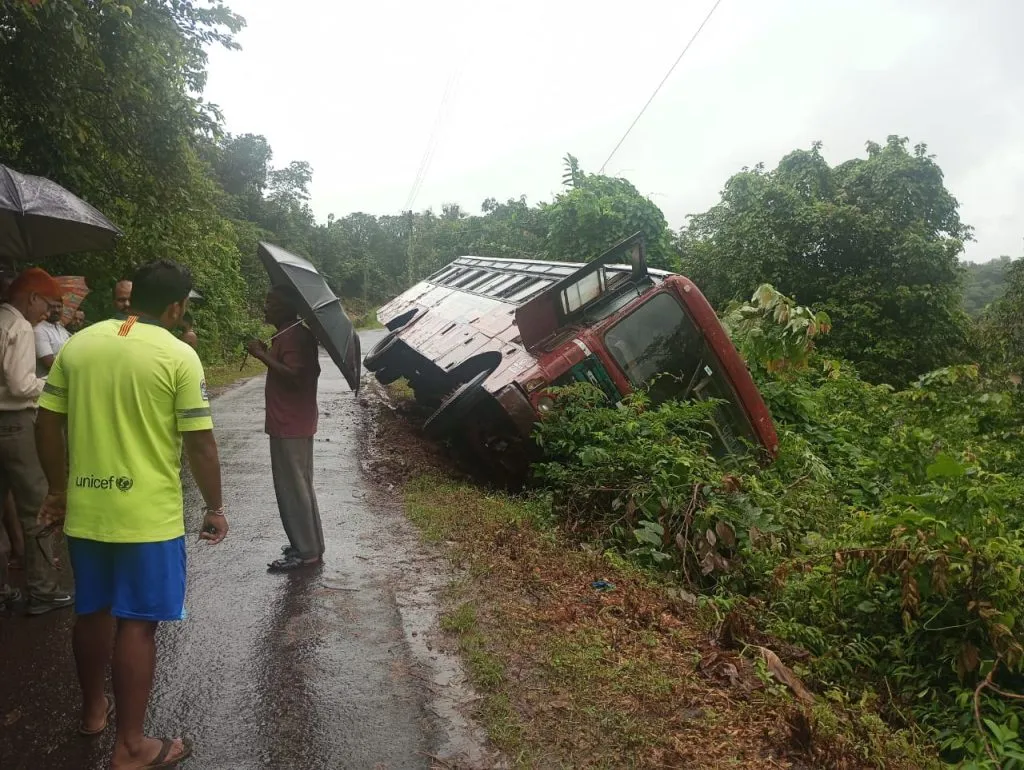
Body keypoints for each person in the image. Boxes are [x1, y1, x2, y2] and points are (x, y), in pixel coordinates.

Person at [36, 259, 226, 767]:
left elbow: (47, 422)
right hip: (147, 518)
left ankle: (94, 712)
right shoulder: (179, 354)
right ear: (176, 306)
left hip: (88, 509)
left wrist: (58, 490)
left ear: (131, 295)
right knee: (138, 624)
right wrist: (215, 507)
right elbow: (201, 445)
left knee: (92, 610)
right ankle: (131, 746)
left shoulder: (80, 344)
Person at [0, 267, 72, 615]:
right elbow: (20, 385)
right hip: (14, 423)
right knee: (36, 506)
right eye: (46, 303)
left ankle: (2, 589)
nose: (46, 313)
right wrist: (52, 384)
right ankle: (43, 590)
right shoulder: (19, 326)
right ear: (30, 297)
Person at [246, 287, 324, 571]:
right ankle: (308, 544)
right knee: (298, 485)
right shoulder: (289, 333)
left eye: (271, 302)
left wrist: (261, 356)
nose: (265, 306)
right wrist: (268, 353)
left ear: (286, 306)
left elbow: (297, 376)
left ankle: (307, 553)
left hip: (291, 423)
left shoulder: (294, 335)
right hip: (291, 421)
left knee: (294, 488)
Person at [35, 299, 71, 376]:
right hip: (43, 382)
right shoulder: (39, 329)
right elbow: (49, 363)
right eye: (52, 306)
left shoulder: (62, 330)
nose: (56, 310)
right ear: (45, 308)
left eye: (59, 307)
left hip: (61, 378)